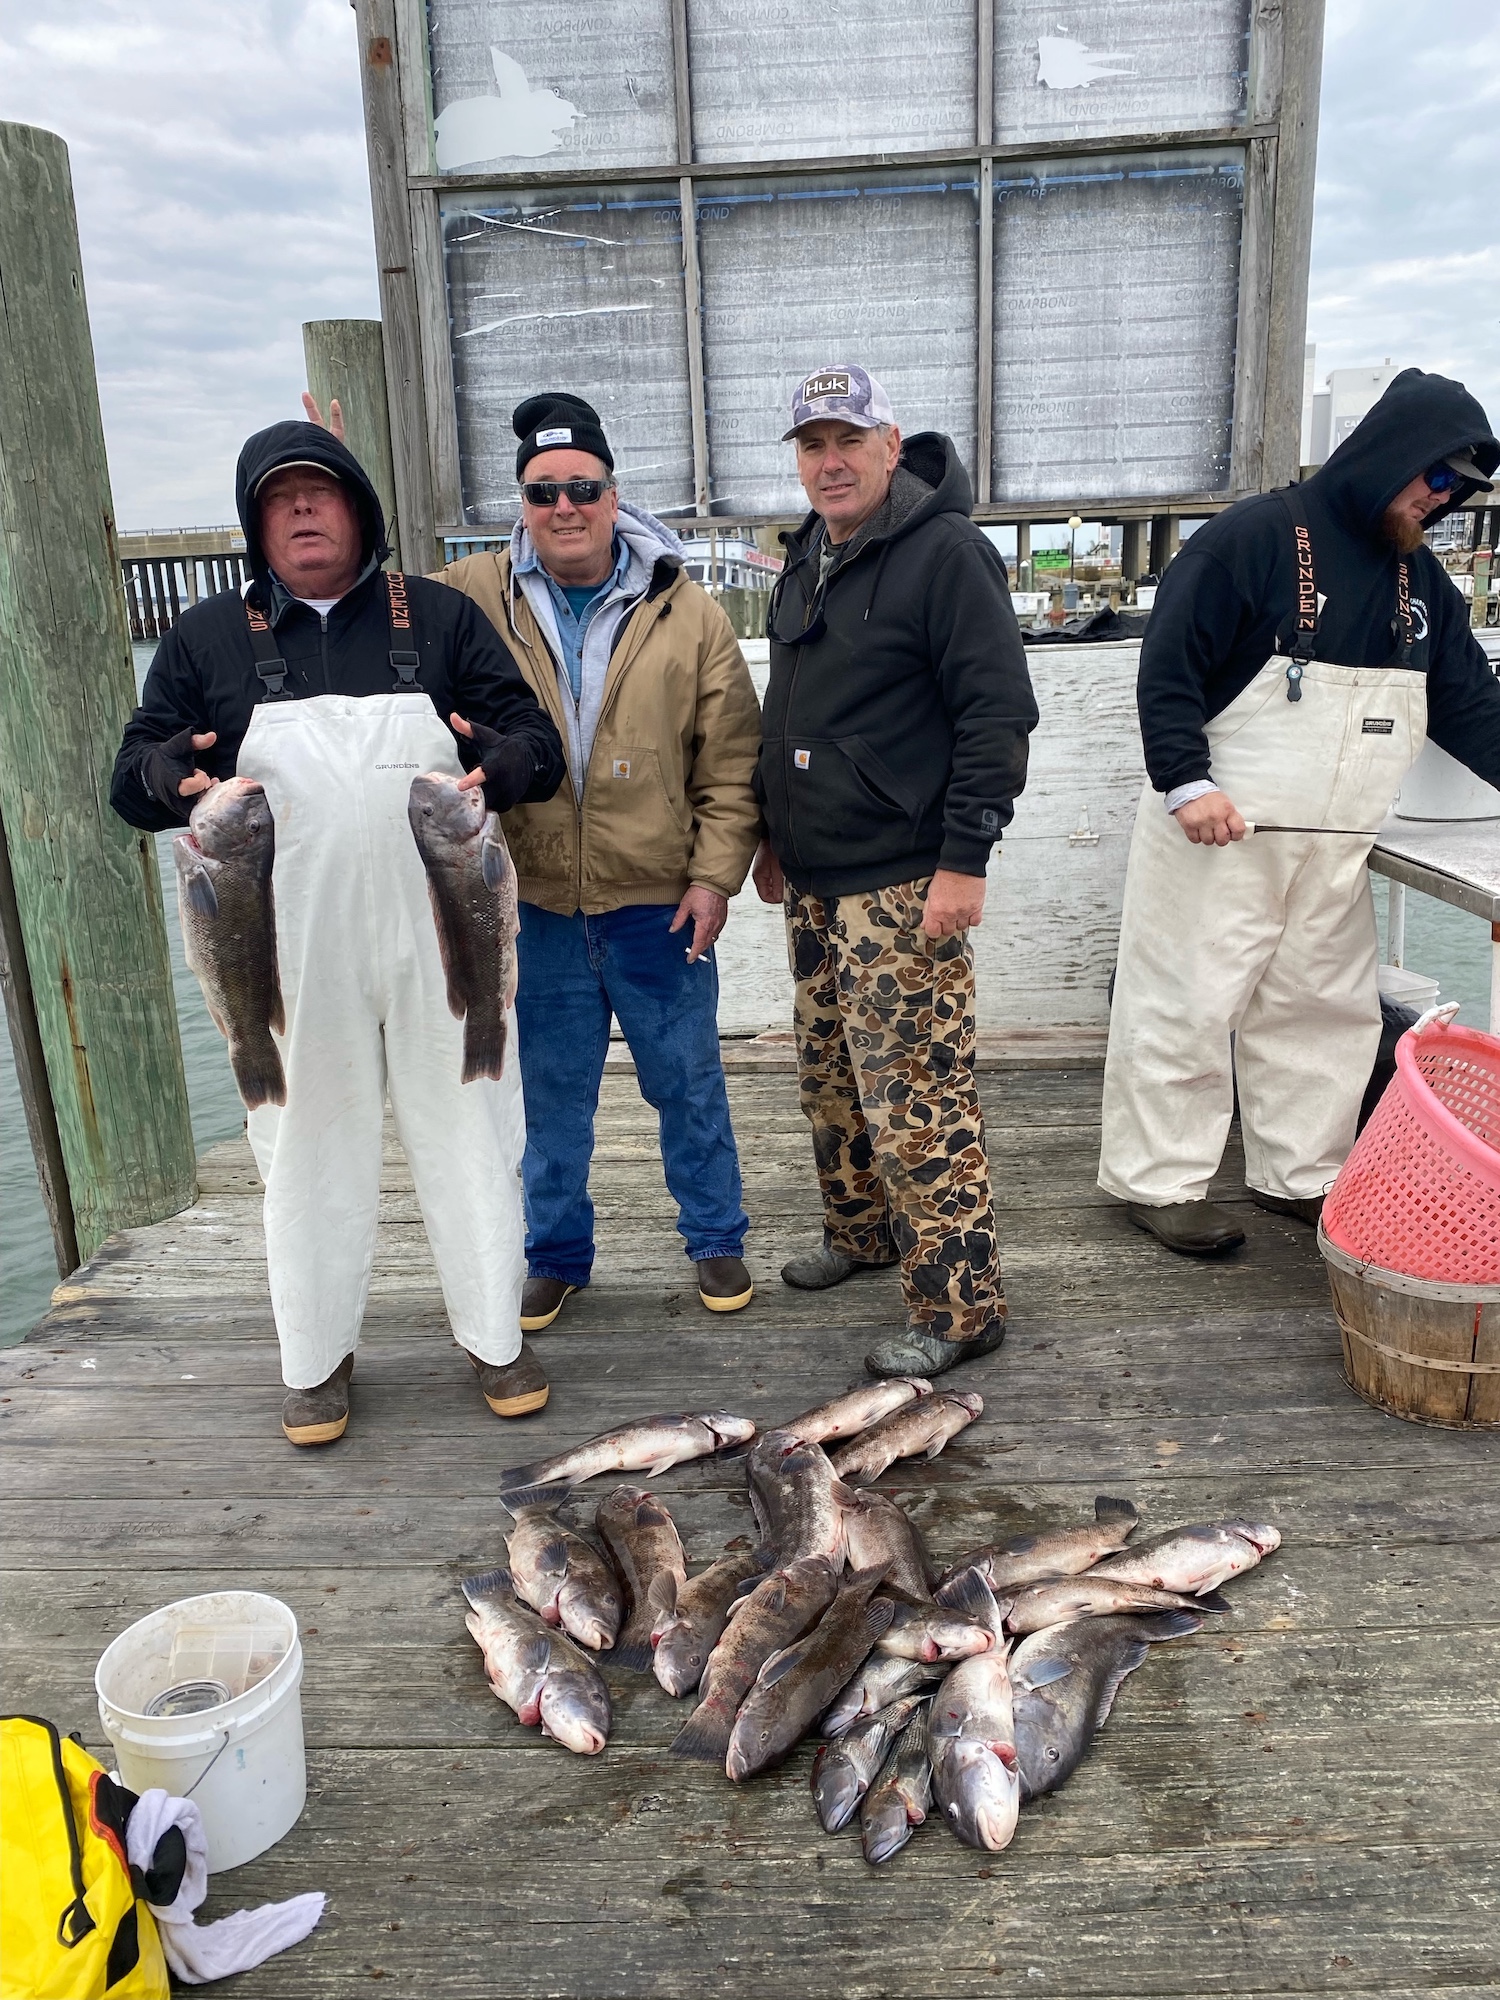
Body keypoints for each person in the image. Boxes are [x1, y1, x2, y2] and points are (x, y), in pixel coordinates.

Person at [111, 421, 567, 1440]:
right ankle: (315, 1359)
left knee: (473, 1134)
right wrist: (159, 773)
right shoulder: (205, 639)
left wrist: (512, 763)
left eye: (320, 491)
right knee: (306, 1152)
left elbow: (535, 742)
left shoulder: (439, 618)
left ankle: (495, 1335)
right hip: (287, 949)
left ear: (359, 508)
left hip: (442, 935)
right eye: (280, 498)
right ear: (255, 523)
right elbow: (132, 777)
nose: (303, 509)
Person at [1099, 368, 1500, 1253]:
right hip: (1218, 834)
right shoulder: (1251, 538)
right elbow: (1170, 663)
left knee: (1326, 1013)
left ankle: (1303, 1174)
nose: (1443, 499)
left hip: (1333, 850)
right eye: (1437, 475)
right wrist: (1185, 780)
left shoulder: (1423, 586)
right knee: (1185, 1005)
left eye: (1461, 490)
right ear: (1392, 450)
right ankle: (1158, 1182)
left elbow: (1473, 707)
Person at [436, 393, 763, 1329]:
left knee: (687, 1083)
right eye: (543, 492)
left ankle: (715, 1236)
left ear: (615, 497)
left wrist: (714, 878)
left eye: (582, 487)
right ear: (522, 504)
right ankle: (556, 1254)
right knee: (549, 1097)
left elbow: (731, 761)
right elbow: (368, 606)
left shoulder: (689, 611)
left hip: (658, 905)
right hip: (532, 902)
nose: (564, 507)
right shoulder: (469, 594)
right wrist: (337, 470)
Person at [752, 365, 1039, 1378]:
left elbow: (998, 714)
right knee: (831, 1077)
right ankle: (862, 1231)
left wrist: (965, 860)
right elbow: (793, 710)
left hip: (905, 882)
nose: (829, 462)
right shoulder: (810, 553)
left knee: (917, 1097)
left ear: (890, 444)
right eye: (812, 445)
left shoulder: (948, 552)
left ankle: (962, 1308)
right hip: (816, 878)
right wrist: (773, 834)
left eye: (847, 440)